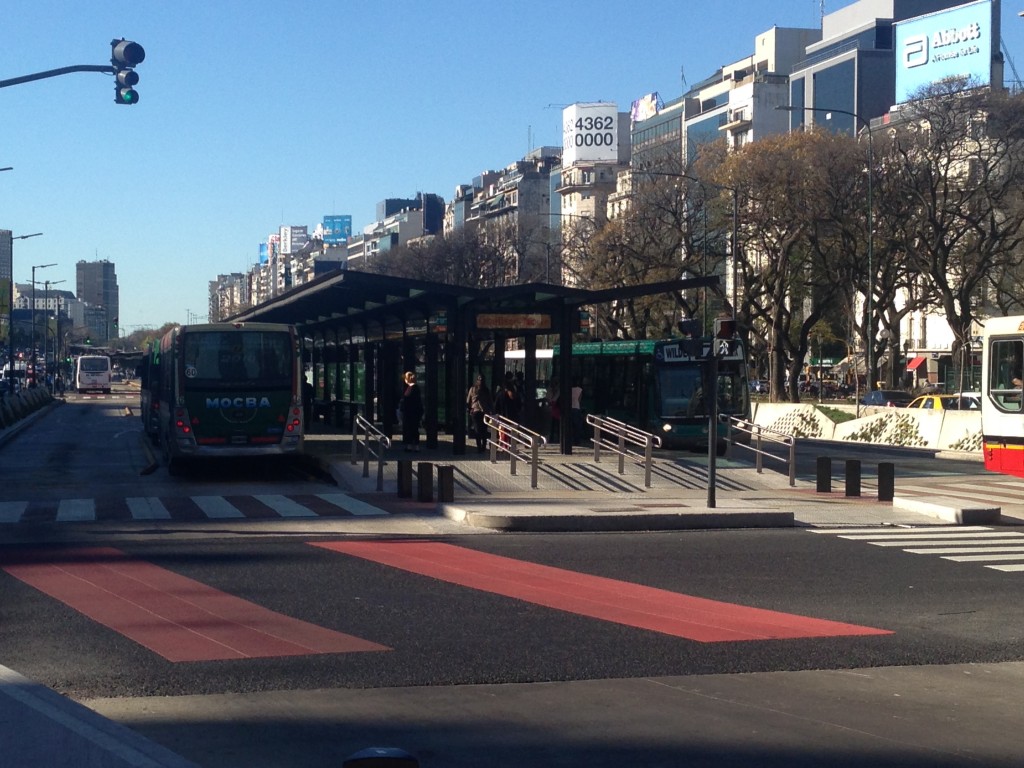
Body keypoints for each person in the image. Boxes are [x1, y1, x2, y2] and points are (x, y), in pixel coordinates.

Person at [466, 374, 493, 453]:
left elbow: (490, 402)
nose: (480, 381)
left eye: (482, 380)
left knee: (484, 429)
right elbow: (468, 401)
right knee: (477, 429)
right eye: (479, 380)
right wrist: (469, 408)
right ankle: (479, 446)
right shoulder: (473, 389)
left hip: (484, 412)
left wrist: (492, 411)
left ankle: (484, 445)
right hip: (475, 411)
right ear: (477, 380)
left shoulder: (486, 390)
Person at [398, 370, 423, 452]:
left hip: (409, 412)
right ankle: (416, 445)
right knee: (415, 428)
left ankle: (410, 445)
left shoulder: (410, 388)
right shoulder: (417, 388)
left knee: (409, 428)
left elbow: (406, 399)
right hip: (415, 412)